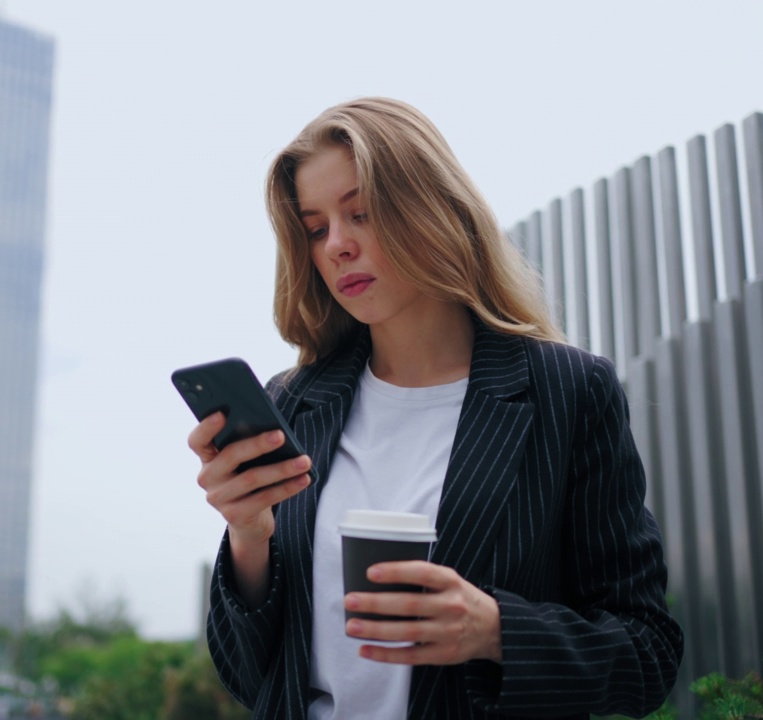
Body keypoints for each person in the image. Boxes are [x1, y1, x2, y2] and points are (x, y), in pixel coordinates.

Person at [189, 97, 683, 719]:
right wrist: (249, 537)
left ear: (431, 207)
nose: (337, 245)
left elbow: (649, 653)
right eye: (316, 229)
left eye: (361, 213)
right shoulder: (292, 404)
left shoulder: (567, 391)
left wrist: (494, 630)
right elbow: (248, 676)